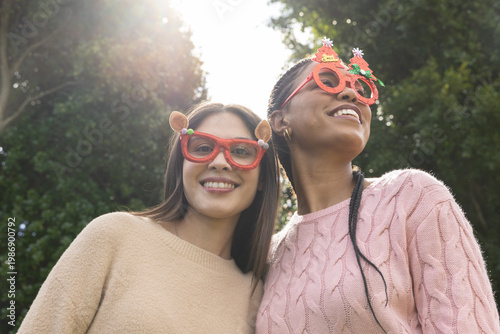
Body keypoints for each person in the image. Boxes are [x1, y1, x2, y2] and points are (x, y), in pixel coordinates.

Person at [256, 38, 500, 333]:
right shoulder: (266, 254)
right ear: (280, 120)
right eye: (327, 80)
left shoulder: (412, 196)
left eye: (360, 88)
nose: (350, 92)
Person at [18, 102, 280, 333]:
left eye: (242, 151)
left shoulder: (260, 296)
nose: (220, 162)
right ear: (181, 166)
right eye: (202, 147)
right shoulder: (115, 235)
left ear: (262, 179)